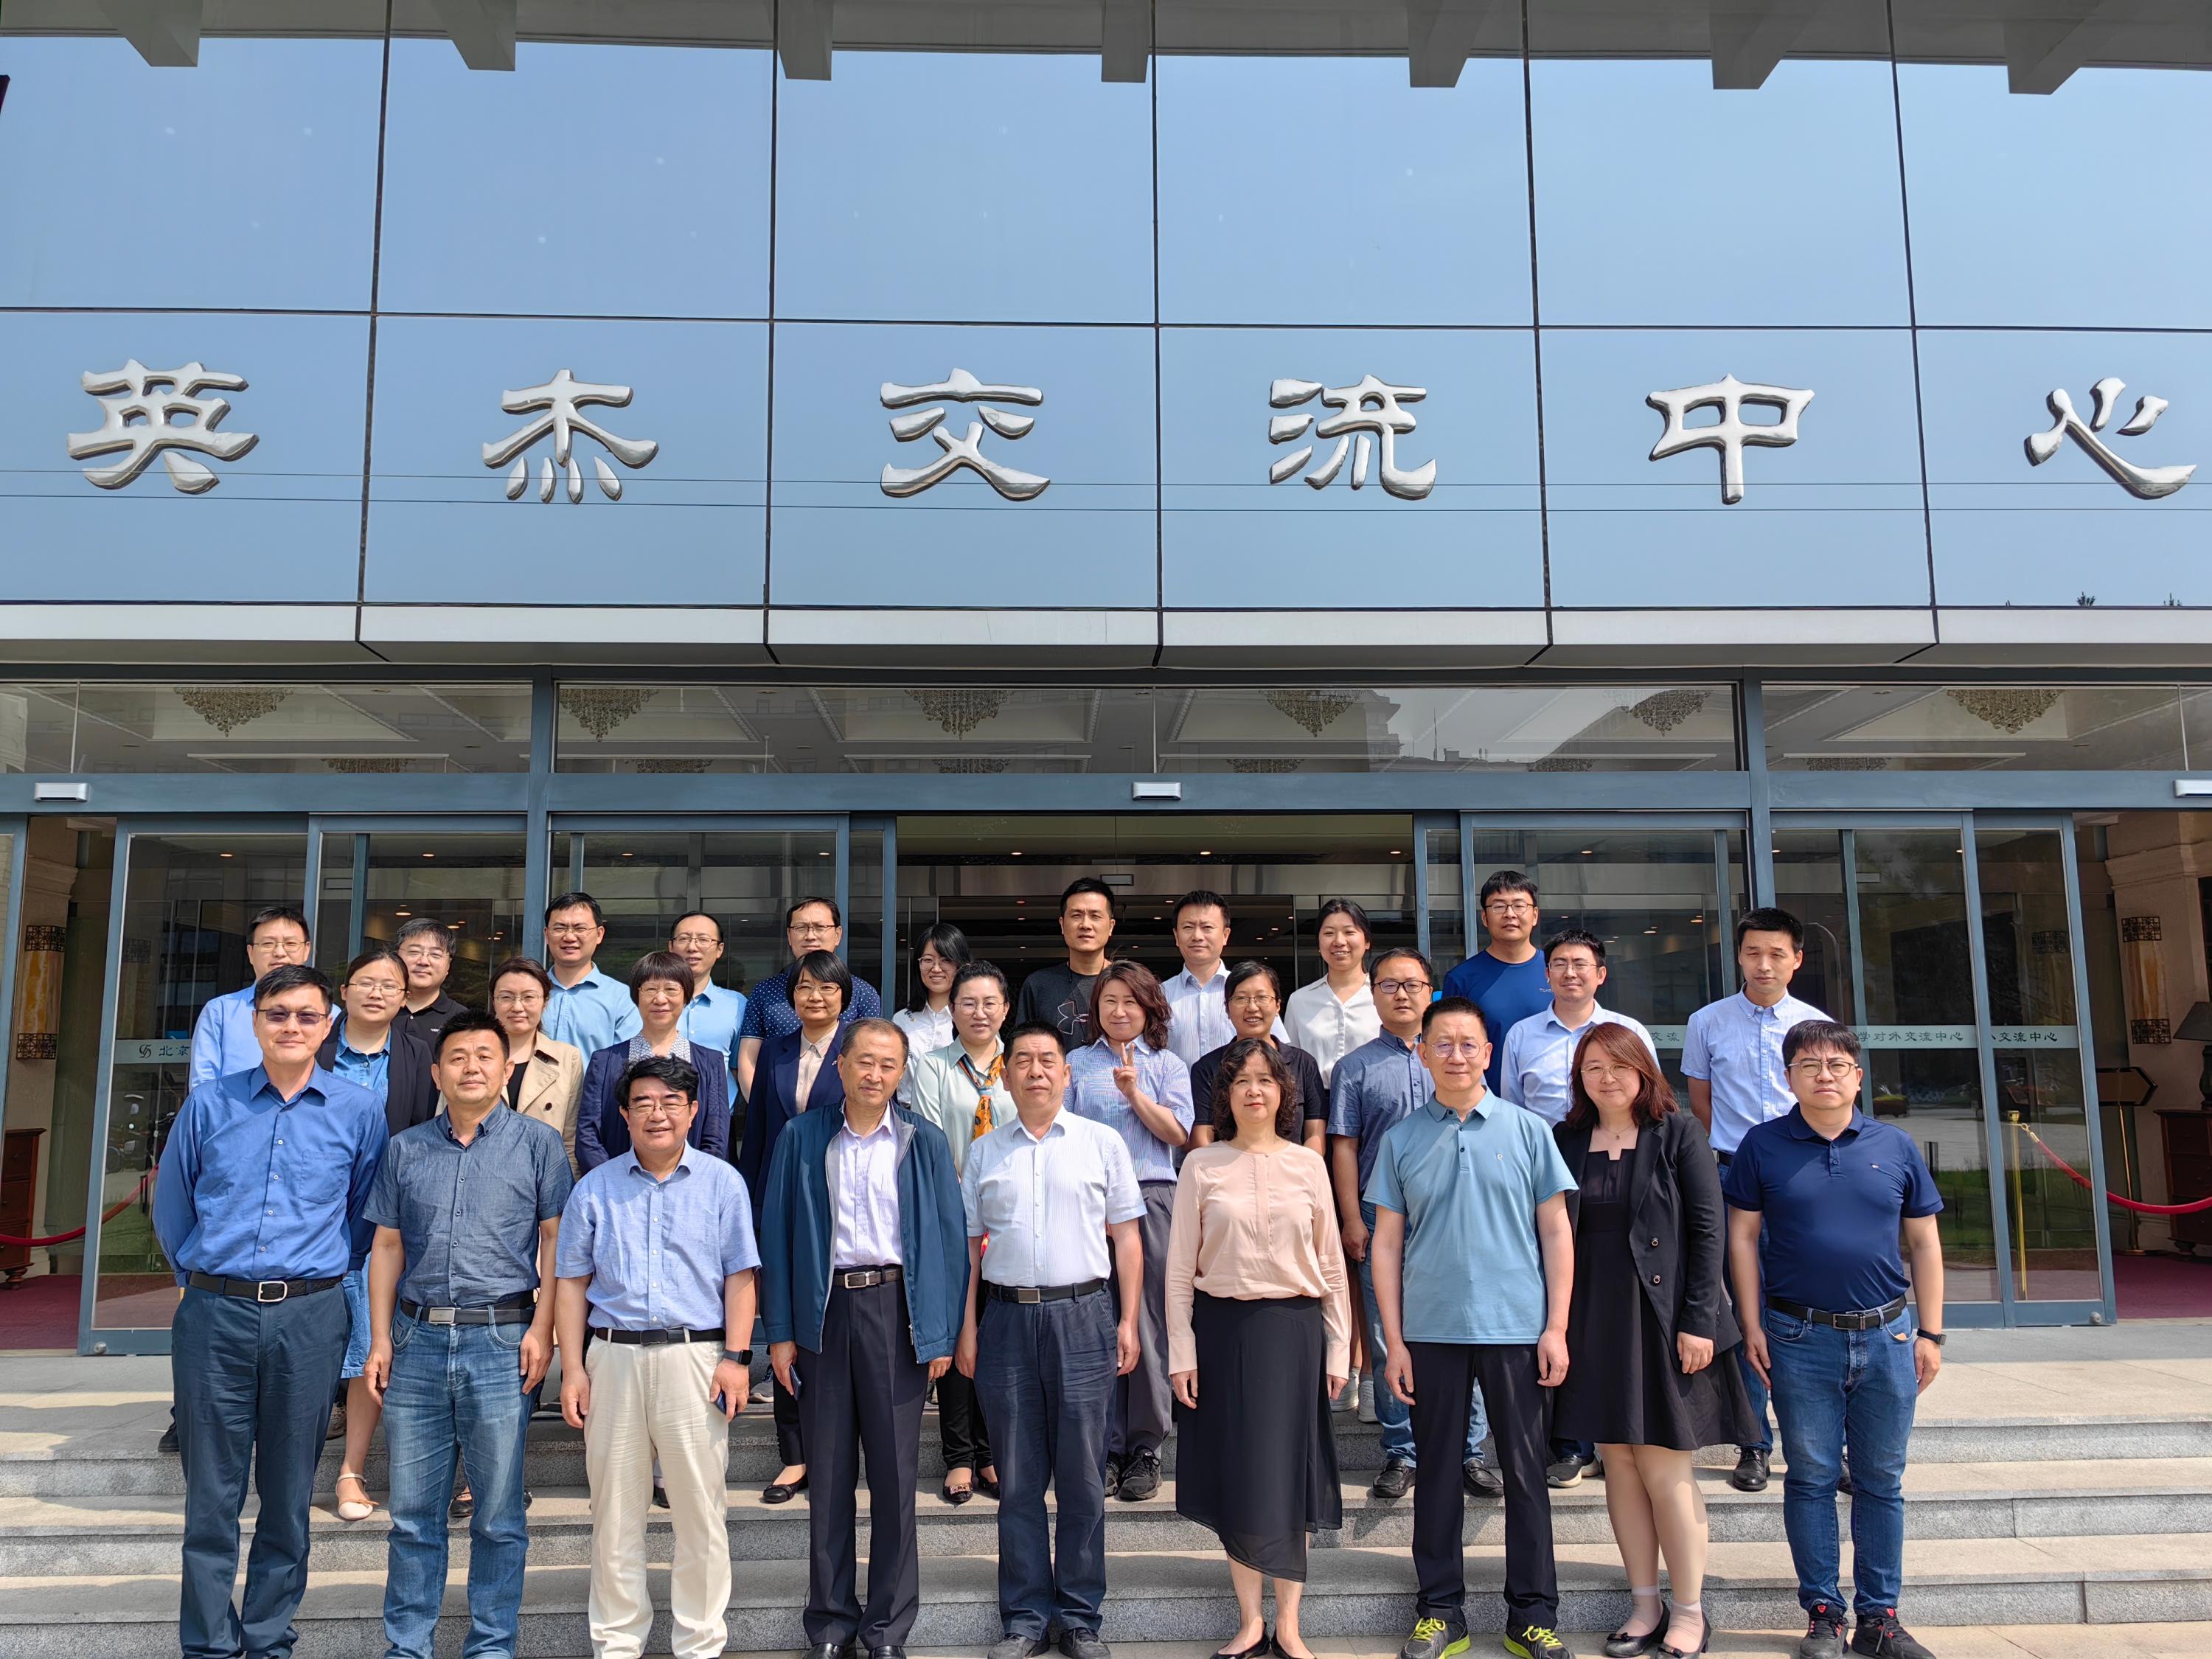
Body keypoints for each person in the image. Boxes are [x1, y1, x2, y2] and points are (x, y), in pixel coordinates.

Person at [152, 963, 387, 1659]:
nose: (291, 1026)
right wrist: (202, 1283)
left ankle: (267, 1639)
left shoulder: (358, 1111)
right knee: (211, 1497)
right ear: (255, 1022)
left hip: (309, 1319)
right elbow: (173, 1208)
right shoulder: (210, 1104)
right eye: (277, 1014)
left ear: (329, 1024)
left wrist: (313, 1279)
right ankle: (207, 1645)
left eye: (307, 1015)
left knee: (288, 1496)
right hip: (214, 1315)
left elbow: (362, 1220)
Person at [1725, 1022, 1946, 1659]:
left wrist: (1930, 1332)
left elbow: (1924, 1242)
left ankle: (1880, 1620)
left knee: (1881, 1479)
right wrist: (1750, 1324)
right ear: (1788, 1077)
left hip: (1888, 1335)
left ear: (1857, 1075)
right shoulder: (1762, 1146)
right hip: (1797, 1335)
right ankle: (1823, 1614)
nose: (1824, 1074)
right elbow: (1742, 1239)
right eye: (1808, 1064)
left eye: (1836, 1063)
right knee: (1812, 1476)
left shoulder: (1894, 1145)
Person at [361, 1011, 573, 1659]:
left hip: (503, 1340)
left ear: (507, 1069)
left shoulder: (538, 1144)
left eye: (485, 1055)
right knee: (412, 1517)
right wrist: (380, 1338)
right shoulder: (406, 1148)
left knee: (499, 1516)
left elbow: (557, 1243)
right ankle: (408, 1647)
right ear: (436, 1073)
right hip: (417, 1341)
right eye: (457, 1057)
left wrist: (544, 1330)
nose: (471, 1067)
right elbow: (387, 1246)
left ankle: (491, 1646)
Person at [1369, 997, 1576, 1659]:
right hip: (1431, 1331)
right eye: (1443, 1044)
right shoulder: (1401, 1139)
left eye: (1468, 1044)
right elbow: (1386, 1245)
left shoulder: (1528, 1130)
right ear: (1423, 1053)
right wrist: (1394, 1342)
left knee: (1526, 1474)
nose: (1456, 1056)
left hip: (1518, 1329)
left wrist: (1556, 1328)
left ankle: (1532, 1615)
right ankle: (1440, 1612)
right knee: (1435, 1473)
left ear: (1488, 1054)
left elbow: (1556, 1232)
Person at [760, 1018, 970, 1659]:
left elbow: (949, 1243)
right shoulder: (802, 1137)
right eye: (865, 1062)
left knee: (895, 1479)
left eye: (888, 1064)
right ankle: (830, 1625)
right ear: (842, 1066)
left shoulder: (922, 1140)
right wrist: (780, 1332)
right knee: (827, 1480)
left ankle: (886, 1630)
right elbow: (777, 1235)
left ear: (901, 1073)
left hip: (896, 1310)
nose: (875, 1074)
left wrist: (939, 1333)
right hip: (822, 1314)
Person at [1551, 1025, 1754, 1659]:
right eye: (1592, 1068)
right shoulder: (1565, 1139)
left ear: (1643, 1071)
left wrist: (1699, 1321)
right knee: (1618, 1463)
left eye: (1618, 1066)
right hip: (1592, 1320)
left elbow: (1709, 1231)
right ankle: (1645, 1605)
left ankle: (1689, 1611)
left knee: (1666, 1467)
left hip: (1666, 1321)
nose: (1606, 1078)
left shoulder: (1678, 1133)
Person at [555, 1054, 758, 1659]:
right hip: (612, 1359)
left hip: (695, 1360)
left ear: (694, 1111)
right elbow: (571, 1284)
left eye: (671, 1102)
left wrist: (737, 1358)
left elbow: (741, 1277)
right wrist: (573, 1369)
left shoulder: (722, 1183)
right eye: (643, 1102)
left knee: (700, 1512)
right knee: (615, 1513)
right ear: (624, 1114)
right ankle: (618, 1643)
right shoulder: (595, 1187)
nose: (657, 1114)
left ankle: (700, 1643)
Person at [956, 1024, 1144, 1659]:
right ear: (1006, 1076)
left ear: (1066, 1074)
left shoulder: (1101, 1143)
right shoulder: (986, 1152)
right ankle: (1026, 1619)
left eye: (1048, 1061)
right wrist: (967, 1327)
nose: (1036, 1071)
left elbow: (1128, 1239)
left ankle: (1081, 1617)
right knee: (1017, 1479)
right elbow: (970, 1252)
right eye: (1024, 1062)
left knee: (1084, 1478)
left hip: (1085, 1316)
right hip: (1006, 1321)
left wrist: (1128, 1321)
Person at [1167, 1037, 1349, 1659]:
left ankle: (1289, 1624)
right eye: (1242, 1080)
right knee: (1240, 1473)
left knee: (1289, 1474)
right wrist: (1182, 1351)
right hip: (1223, 1333)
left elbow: (1331, 1263)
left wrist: (1339, 1348)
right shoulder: (1202, 1165)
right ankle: (1250, 1621)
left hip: (1295, 1332)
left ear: (1282, 1093)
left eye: (1265, 1080)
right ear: (1226, 1095)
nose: (1254, 1090)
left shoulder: (1308, 1165)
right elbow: (1178, 1271)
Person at [1325, 947, 1492, 1498]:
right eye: (1389, 985)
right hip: (1382, 1215)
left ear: (1430, 991)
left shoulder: (1458, 1056)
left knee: (1465, 1327)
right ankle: (1402, 1451)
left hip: (1454, 1210)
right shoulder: (1354, 1068)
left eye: (1413, 984)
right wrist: (1352, 1217)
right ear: (1372, 993)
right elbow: (1345, 1148)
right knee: (1385, 1332)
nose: (1402, 994)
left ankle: (1469, 1451)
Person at [1681, 906, 1829, 1495]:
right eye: (1752, 953)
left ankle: (1822, 1445)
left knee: (1809, 1309)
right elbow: (1701, 1101)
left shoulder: (1817, 1025)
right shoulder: (1707, 1022)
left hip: (1804, 1178)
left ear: (1797, 959)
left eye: (1776, 954)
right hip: (1733, 1178)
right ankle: (1754, 1443)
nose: (1763, 964)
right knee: (1746, 1312)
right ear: (1738, 957)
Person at [1499, 930, 1655, 1486]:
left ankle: (1620, 1433)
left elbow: (1651, 1105)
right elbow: (1512, 1111)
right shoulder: (1522, 1034)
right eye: (1560, 964)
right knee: (1563, 1306)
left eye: (1581, 964)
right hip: (1546, 1181)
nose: (1570, 973)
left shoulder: (1628, 1032)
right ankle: (1571, 1442)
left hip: (1614, 1177)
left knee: (1611, 1307)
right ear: (1546, 975)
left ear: (1601, 974)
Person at [316, 945, 438, 1523]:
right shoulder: (312, 1046)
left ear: (404, 998)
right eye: (365, 982)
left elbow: (424, 1136)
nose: (377, 993)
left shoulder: (420, 1056)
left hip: (385, 1222)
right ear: (344, 992)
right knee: (311, 1348)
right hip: (312, 1220)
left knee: (372, 1344)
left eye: (390, 985)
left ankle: (352, 1470)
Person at [1065, 961, 1193, 1504]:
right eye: (1109, 1001)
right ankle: (1107, 1446)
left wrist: (1136, 1094)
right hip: (1090, 1203)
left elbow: (1179, 1134)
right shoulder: (1075, 1062)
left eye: (1130, 1002)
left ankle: (1145, 1445)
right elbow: (1064, 1133)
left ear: (1149, 1009)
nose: (1119, 1011)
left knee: (1147, 1321)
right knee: (1098, 1320)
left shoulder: (1168, 1064)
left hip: (1152, 1196)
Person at [737, 947, 858, 1503]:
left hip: (843, 1204)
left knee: (836, 1329)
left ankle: (842, 1450)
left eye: (827, 988)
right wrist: (753, 1204)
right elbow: (759, 1131)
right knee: (784, 1323)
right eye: (806, 987)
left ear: (844, 997)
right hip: (780, 1200)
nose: (815, 996)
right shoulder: (776, 1051)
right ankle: (795, 1455)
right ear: (792, 997)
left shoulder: (858, 1049)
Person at [904, 959, 1015, 1504]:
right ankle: (959, 1457)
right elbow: (928, 1136)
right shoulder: (931, 1066)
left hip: (1012, 1218)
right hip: (952, 1215)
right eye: (967, 1003)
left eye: (989, 1003)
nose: (979, 1012)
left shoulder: (1022, 1064)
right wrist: (963, 1205)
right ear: (952, 1010)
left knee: (997, 1335)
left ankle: (991, 1452)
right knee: (956, 1332)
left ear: (1005, 1009)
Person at [576, 950, 734, 1172]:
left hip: (692, 1184)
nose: (660, 999)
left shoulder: (710, 1062)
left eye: (671, 989)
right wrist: (616, 1180)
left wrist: (692, 1180)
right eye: (650, 989)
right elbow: (588, 1137)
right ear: (636, 996)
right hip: (616, 1186)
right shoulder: (604, 1062)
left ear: (686, 996)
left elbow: (716, 1137)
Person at [734, 896, 884, 1099]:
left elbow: (870, 1059)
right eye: (801, 928)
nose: (810, 936)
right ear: (789, 935)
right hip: (777, 1105)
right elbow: (749, 1060)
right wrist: (764, 1107)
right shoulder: (765, 991)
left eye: (820, 927)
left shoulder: (863, 993)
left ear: (837, 934)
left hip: (840, 1109)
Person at [1188, 961, 1325, 1153]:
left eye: (1262, 997)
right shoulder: (1207, 1068)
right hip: (1227, 1169)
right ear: (1227, 1009)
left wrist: (1302, 1167)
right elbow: (1203, 1137)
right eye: (1241, 999)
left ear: (1278, 1005)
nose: (1252, 1007)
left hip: (1292, 1170)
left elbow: (1315, 1134)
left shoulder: (1304, 1063)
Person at [1440, 872, 1551, 1098]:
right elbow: (1449, 1046)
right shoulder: (1462, 979)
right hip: (1485, 1105)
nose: (1510, 914)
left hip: (1552, 1104)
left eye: (1519, 906)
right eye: (1499, 907)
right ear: (1484, 917)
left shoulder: (1558, 972)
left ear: (1535, 915)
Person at [187, 903, 313, 1089]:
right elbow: (203, 1085)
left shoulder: (329, 1015)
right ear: (250, 952)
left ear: (306, 950)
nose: (279, 953)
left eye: (290, 944)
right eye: (268, 944)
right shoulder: (220, 1012)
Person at [485, 955, 588, 1169]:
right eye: (506, 997)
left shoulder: (567, 1058)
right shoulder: (469, 1054)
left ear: (545, 1002)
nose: (517, 1007)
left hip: (541, 1178)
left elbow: (570, 1141)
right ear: (494, 1001)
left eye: (529, 997)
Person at [1163, 889, 1281, 1067]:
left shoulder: (1253, 993)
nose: (1197, 936)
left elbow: (1278, 1049)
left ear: (1225, 935)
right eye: (1188, 927)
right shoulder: (1159, 995)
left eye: (1207, 928)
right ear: (1176, 936)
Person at [1284, 897, 1380, 1085]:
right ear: (1319, 945)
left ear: (1367, 941)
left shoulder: (1383, 995)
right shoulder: (1299, 1000)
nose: (1339, 941)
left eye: (1349, 932)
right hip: (1316, 1099)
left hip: (1372, 1096)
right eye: (1329, 933)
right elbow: (1290, 1064)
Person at [1014, 877, 1117, 1050]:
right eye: (1076, 915)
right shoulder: (1039, 985)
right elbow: (1023, 1047)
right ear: (1062, 924)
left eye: (1095, 916)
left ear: (1111, 926)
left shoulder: (1130, 983)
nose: (1085, 925)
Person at [540, 891, 642, 1057]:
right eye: (559, 928)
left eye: (580, 928)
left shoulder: (623, 999)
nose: (569, 937)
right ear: (546, 934)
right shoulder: (528, 993)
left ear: (599, 934)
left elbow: (627, 1063)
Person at [894, 922, 971, 1092]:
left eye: (946, 960)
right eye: (928, 960)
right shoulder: (901, 1020)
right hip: (907, 1108)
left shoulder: (972, 1018)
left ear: (961, 965)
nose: (936, 969)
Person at [667, 910, 748, 1061]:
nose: (692, 947)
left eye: (703, 939)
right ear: (671, 947)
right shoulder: (649, 1001)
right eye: (683, 939)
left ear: (719, 949)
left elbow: (740, 1067)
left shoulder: (737, 1004)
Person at [391, 915, 469, 1051]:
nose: (424, 961)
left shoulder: (462, 1019)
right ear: (396, 957)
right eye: (414, 952)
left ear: (448, 965)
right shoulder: (377, 1007)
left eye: (435, 955)